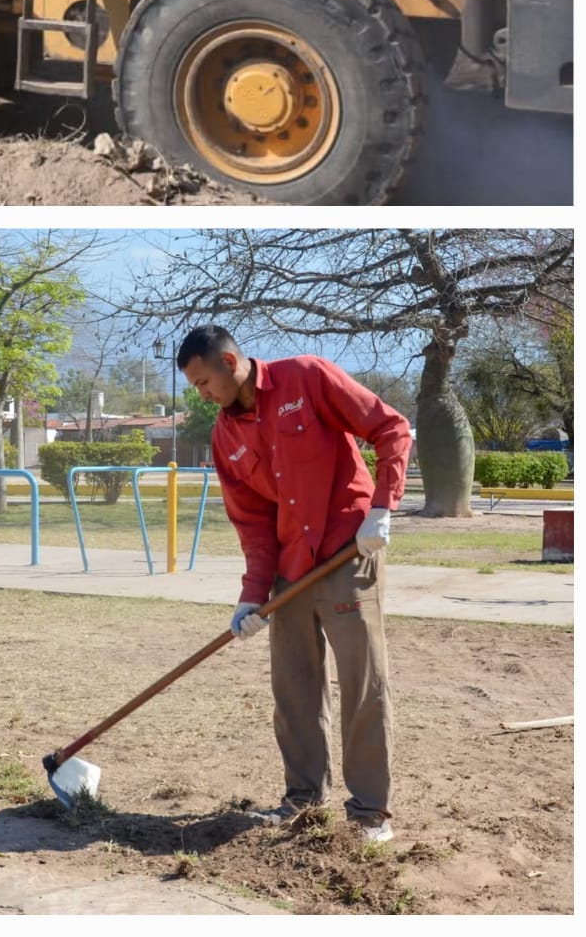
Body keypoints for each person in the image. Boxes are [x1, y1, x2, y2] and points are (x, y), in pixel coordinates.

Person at [176, 325, 411, 843]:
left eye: (203, 382)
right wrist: (252, 595)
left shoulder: (307, 378)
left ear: (231, 361)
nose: (202, 394)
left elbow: (392, 428)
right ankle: (303, 800)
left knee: (362, 683)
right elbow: (252, 523)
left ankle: (370, 812)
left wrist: (381, 509)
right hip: (289, 568)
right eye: (194, 386)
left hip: (349, 552)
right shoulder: (224, 435)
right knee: (294, 687)